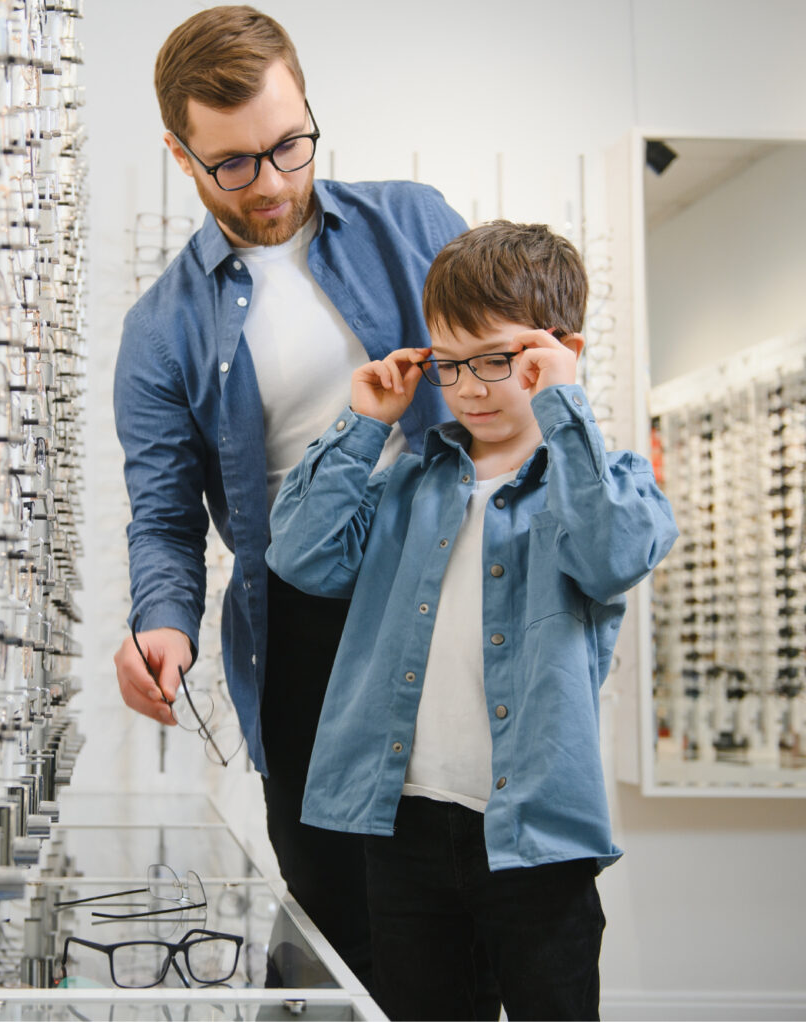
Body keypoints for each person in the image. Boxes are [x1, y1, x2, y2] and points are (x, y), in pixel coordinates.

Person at [110, 4, 468, 990]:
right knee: (335, 935)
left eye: (289, 145)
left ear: (308, 108)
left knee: (463, 924)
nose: (271, 183)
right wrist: (162, 627)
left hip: (453, 602)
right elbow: (168, 521)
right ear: (183, 156)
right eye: (234, 164)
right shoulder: (159, 330)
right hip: (303, 627)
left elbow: (514, 386)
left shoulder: (419, 223)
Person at [266, 221, 678, 1019]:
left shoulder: (606, 481)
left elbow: (611, 554)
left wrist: (564, 403)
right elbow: (302, 556)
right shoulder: (410, 483)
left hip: (535, 837)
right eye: (450, 365)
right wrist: (365, 422)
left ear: (558, 351)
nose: (472, 388)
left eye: (498, 361)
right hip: (405, 825)